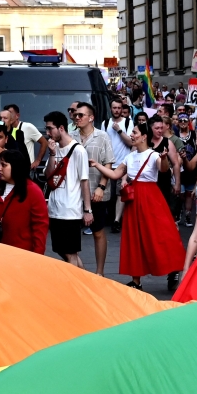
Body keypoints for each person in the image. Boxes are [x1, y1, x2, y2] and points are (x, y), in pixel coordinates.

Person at [90, 120, 185, 291]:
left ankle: (173, 268)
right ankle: (136, 280)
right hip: (134, 201)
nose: (131, 135)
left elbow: (163, 170)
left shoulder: (154, 155)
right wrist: (97, 165)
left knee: (160, 236)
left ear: (144, 137)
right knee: (135, 238)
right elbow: (114, 174)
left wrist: (164, 159)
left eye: (134, 133)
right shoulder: (130, 156)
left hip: (151, 199)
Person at [44, 110, 93, 269]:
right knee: (60, 249)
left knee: (71, 253)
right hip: (54, 208)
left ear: (61, 128)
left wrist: (87, 210)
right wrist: (51, 154)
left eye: (50, 128)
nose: (47, 133)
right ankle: (85, 280)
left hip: (71, 209)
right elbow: (48, 175)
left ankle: (77, 286)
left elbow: (84, 181)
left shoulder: (78, 150)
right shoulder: (54, 148)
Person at [0, 149, 49, 254]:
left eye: (3, 165)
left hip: (21, 252)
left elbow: (40, 226)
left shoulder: (33, 191)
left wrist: (38, 254)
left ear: (16, 167)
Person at [75, 101, 115, 276]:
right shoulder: (71, 135)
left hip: (96, 191)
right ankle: (78, 269)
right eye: (75, 115)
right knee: (72, 233)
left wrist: (101, 187)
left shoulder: (102, 136)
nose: (76, 117)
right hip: (75, 192)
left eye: (80, 115)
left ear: (91, 118)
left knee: (98, 232)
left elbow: (108, 163)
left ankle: (100, 272)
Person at [104, 97, 135, 232]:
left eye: (119, 108)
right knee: (109, 195)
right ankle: (112, 218)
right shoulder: (105, 123)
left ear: (122, 109)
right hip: (109, 164)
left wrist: (119, 131)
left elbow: (131, 143)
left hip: (123, 163)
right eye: (114, 108)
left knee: (119, 194)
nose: (116, 110)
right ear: (111, 109)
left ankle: (116, 221)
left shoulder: (128, 123)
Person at [2, 104, 48, 171]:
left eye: (10, 113)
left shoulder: (27, 127)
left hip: (27, 169)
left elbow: (44, 142)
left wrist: (37, 161)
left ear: (17, 116)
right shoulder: (4, 131)